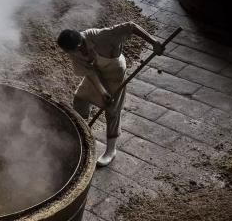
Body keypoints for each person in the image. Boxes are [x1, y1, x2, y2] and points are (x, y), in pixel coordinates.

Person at [57, 22, 164, 167]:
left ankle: (110, 151)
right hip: (97, 73)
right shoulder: (73, 51)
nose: (76, 54)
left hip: (115, 72)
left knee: (112, 110)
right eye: (71, 52)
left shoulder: (102, 36)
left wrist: (154, 42)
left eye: (77, 50)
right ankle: (81, 133)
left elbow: (131, 26)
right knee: (80, 98)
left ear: (80, 43)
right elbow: (90, 73)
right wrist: (102, 92)